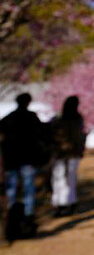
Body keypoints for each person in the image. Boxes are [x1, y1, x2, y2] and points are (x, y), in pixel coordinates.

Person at [0, 93, 48, 227]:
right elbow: (42, 134)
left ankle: (11, 213)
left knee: (12, 188)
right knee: (28, 187)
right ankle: (28, 214)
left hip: (12, 158)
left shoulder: (8, 118)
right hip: (27, 158)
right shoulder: (31, 117)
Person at [51, 96, 85, 216]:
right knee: (68, 178)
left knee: (60, 178)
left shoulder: (59, 119)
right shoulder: (76, 119)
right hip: (68, 153)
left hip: (64, 154)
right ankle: (67, 203)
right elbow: (80, 136)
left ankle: (62, 203)